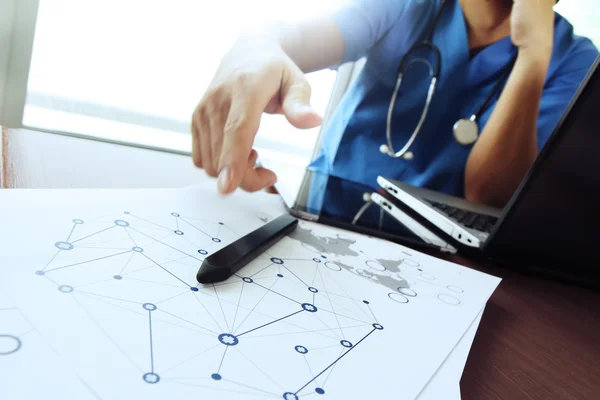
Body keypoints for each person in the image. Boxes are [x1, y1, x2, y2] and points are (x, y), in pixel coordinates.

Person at [191, 0, 598, 208]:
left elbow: (489, 196)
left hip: (444, 262)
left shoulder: (573, 60)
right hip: (329, 217)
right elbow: (292, 37)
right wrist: (256, 46)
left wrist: (533, 54)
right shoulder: (404, 5)